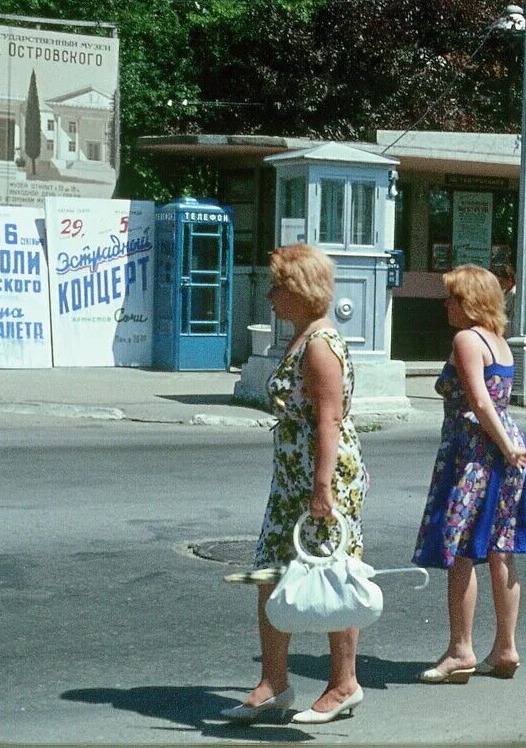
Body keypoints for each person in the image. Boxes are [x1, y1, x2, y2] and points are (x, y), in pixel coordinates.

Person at [222, 244, 368, 725]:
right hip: (293, 480)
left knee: (334, 578)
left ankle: (344, 683)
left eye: (277, 287)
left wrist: (322, 489)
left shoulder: (320, 345)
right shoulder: (304, 337)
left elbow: (328, 422)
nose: (269, 296)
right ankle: (273, 682)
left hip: (318, 482)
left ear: (301, 291)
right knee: (270, 575)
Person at [413, 264, 526, 684]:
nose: (445, 304)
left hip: (476, 453)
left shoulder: (467, 338)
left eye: (452, 297)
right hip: (507, 449)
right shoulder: (499, 341)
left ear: (469, 301)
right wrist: (512, 448)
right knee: (501, 549)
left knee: (463, 551)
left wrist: (503, 447)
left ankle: (460, 649)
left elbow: (481, 404)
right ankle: (505, 648)